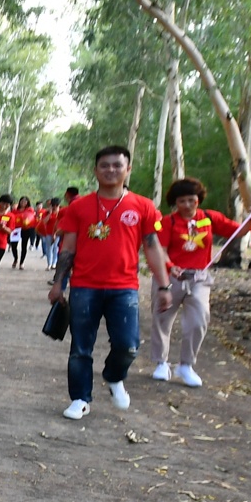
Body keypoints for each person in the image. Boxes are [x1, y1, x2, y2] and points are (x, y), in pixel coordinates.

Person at [49, 146, 171, 420]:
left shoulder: (143, 206)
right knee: (81, 346)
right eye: (104, 165)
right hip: (84, 286)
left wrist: (164, 286)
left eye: (118, 165)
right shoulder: (79, 207)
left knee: (128, 345)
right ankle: (80, 398)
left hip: (124, 288)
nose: (111, 170)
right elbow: (68, 247)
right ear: (95, 171)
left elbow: (152, 247)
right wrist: (59, 283)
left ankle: (114, 376)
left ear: (128, 169)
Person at [151, 177, 240, 387]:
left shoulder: (209, 218)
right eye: (182, 201)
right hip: (171, 277)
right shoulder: (167, 222)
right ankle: (161, 363)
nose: (187, 205)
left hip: (200, 277)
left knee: (199, 320)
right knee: (162, 318)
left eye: (192, 200)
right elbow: (159, 251)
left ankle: (186, 365)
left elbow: (239, 229)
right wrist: (171, 266)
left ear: (198, 199)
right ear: (175, 202)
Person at [11, 197, 35, 269]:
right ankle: (16, 258)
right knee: (13, 246)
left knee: (24, 246)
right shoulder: (15, 210)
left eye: (25, 201)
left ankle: (21, 262)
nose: (23, 203)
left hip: (26, 229)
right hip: (16, 229)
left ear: (27, 202)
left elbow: (31, 217)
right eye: (22, 201)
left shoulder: (30, 210)